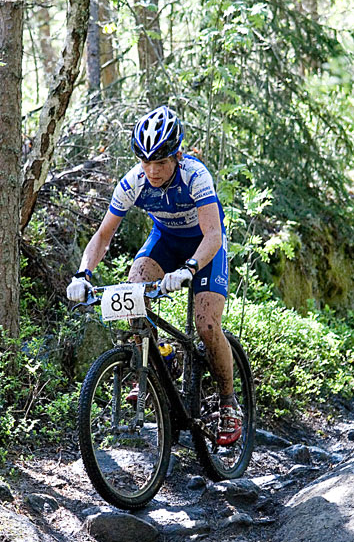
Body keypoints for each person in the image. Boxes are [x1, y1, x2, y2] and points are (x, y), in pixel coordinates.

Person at [67, 105, 242, 446]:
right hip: (165, 242)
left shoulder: (195, 176)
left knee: (207, 325)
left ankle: (228, 402)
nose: (152, 171)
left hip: (205, 247)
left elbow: (213, 235)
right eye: (145, 162)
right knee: (132, 294)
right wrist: (82, 273)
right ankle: (159, 356)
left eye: (160, 162)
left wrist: (189, 268)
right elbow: (103, 236)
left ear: (177, 156)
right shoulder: (133, 182)